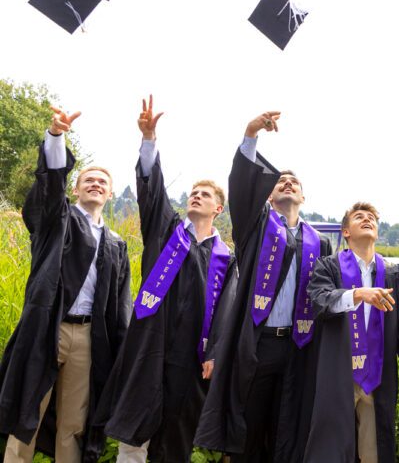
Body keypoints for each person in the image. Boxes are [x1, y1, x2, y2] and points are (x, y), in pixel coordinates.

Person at [94, 97, 239, 463]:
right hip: (151, 344)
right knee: (135, 426)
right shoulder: (168, 231)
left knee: (177, 436)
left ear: (217, 209)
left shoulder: (226, 258)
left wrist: (215, 354)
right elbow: (153, 191)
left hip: (191, 357)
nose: (196, 195)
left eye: (205, 194)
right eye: (193, 192)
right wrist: (149, 141)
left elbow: (226, 313)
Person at [195, 111, 332, 462]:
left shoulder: (320, 243)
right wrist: (251, 134)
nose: (288, 184)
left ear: (304, 196)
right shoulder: (255, 228)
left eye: (294, 183)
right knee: (248, 432)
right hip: (258, 344)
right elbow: (242, 189)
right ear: (268, 195)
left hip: (299, 346)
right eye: (281, 181)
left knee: (286, 432)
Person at [0, 106, 131, 463]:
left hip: (88, 338)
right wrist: (56, 138)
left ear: (111, 194)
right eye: (89, 179)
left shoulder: (116, 244)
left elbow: (120, 305)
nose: (96, 184)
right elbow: (50, 189)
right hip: (48, 327)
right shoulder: (58, 221)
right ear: (75, 188)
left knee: (74, 420)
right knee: (29, 410)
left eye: (103, 182)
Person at [303, 202, 399, 463]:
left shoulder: (393, 273)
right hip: (338, 372)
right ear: (346, 231)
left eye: (371, 217)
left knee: (374, 452)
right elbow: (320, 301)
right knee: (331, 447)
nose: (367, 219)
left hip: (376, 375)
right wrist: (359, 294)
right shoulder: (328, 267)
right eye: (359, 216)